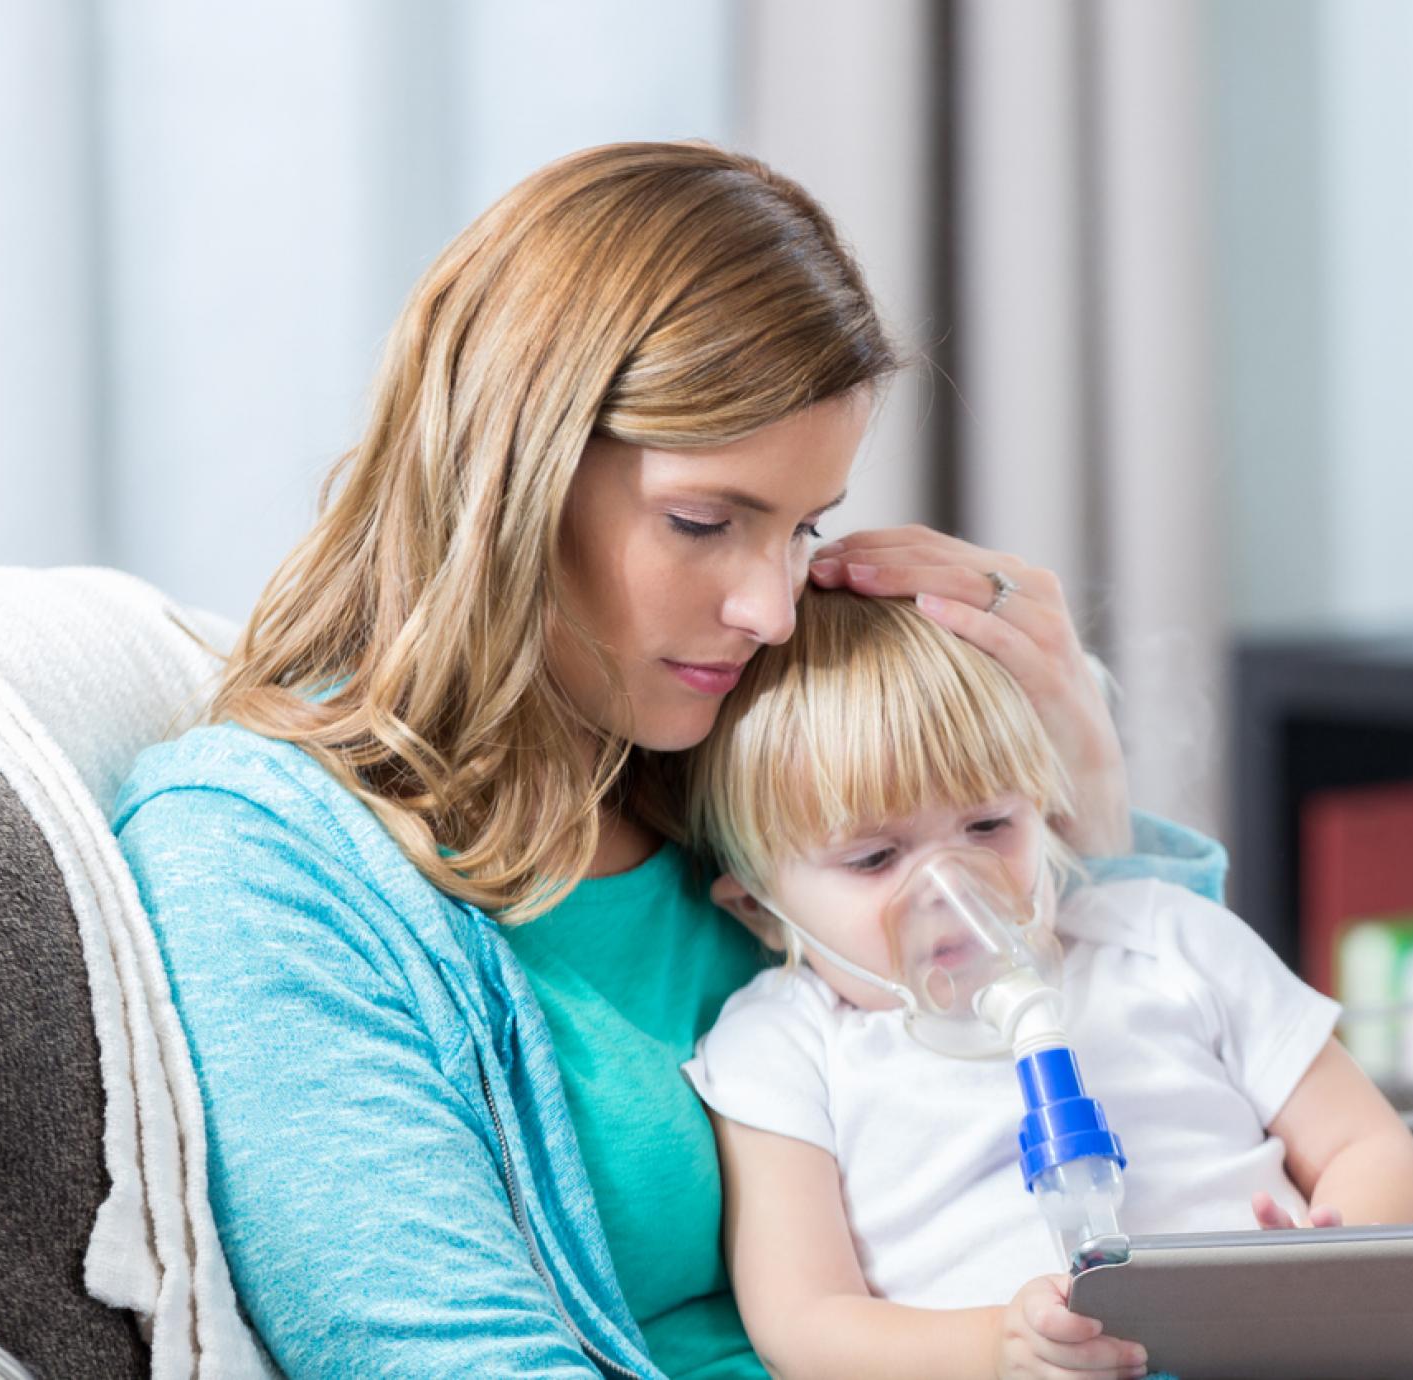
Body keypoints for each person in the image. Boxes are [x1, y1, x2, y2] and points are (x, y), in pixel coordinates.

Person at [112, 142, 1229, 1378]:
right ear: (510, 478)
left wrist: (1078, 758)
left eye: (803, 527)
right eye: (705, 522)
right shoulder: (263, 855)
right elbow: (436, 1355)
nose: (773, 607)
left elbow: (1181, 1122)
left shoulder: (734, 759)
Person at [680, 589, 1413, 1380]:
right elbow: (803, 1324)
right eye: (875, 858)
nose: (951, 887)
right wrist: (995, 1348)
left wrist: (1336, 1260)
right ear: (761, 911)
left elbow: (1371, 1145)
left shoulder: (1162, 940)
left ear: (1043, 810)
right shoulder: (784, 1047)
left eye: (988, 827)